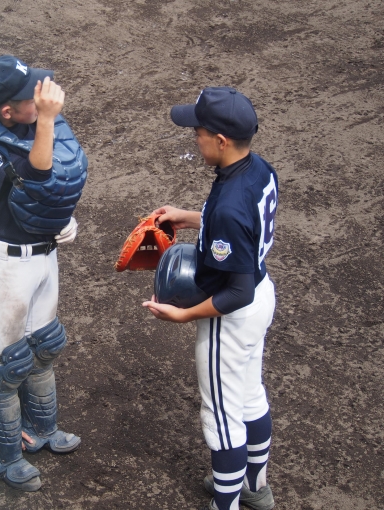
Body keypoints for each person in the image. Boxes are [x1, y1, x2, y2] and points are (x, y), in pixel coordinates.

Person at [143, 87, 278, 510]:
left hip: (232, 314)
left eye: (198, 132)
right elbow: (239, 225)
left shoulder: (229, 207)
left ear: (221, 140)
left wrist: (182, 316)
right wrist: (188, 217)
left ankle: (226, 504)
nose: (194, 137)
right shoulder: (258, 168)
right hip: (261, 297)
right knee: (250, 395)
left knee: (221, 417)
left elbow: (235, 290)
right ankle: (254, 487)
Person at [0, 55, 87, 491]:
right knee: (5, 365)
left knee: (44, 346)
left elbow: (56, 189)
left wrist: (62, 219)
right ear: (6, 111)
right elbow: (33, 179)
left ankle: (43, 429)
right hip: (8, 263)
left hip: (45, 255)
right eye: (29, 95)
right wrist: (46, 121)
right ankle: (4, 454)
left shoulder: (33, 121)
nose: (41, 95)